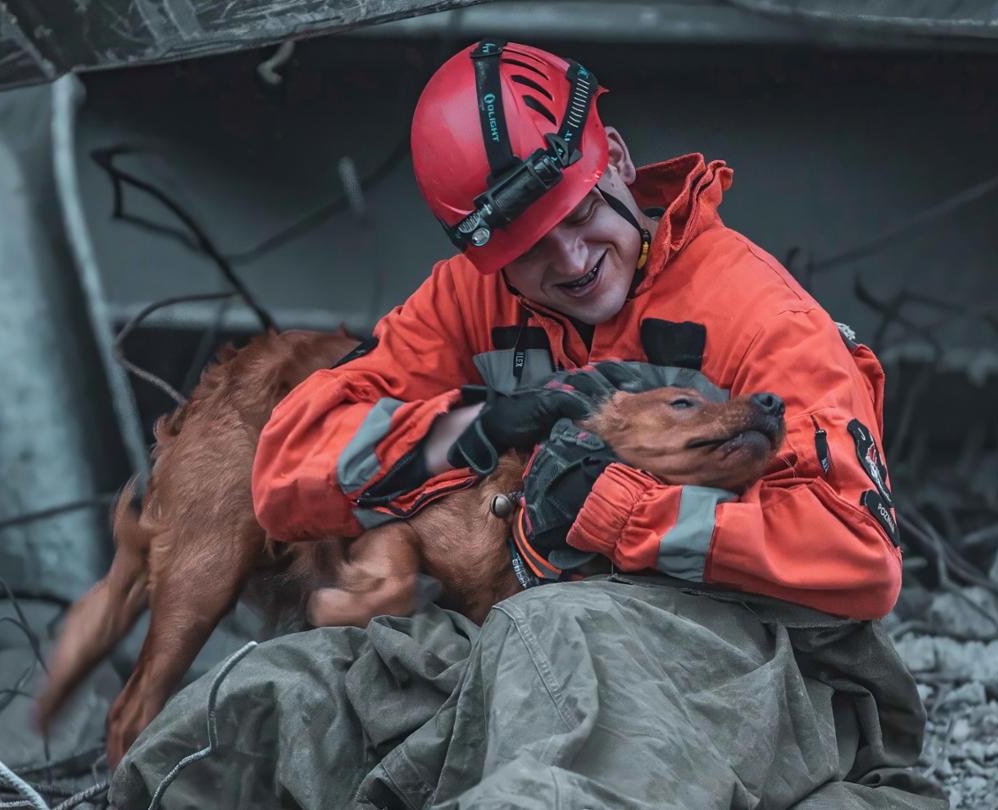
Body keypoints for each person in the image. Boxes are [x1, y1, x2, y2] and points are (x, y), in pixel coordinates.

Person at [111, 39, 945, 810]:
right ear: (483, 255)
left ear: (614, 158)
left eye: (580, 215)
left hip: (752, 669)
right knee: (254, 715)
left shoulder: (757, 313)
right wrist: (479, 427)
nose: (572, 261)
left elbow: (859, 556)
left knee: (550, 651)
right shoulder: (470, 298)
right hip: (524, 647)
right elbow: (287, 472)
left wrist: (617, 515)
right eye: (528, 247)